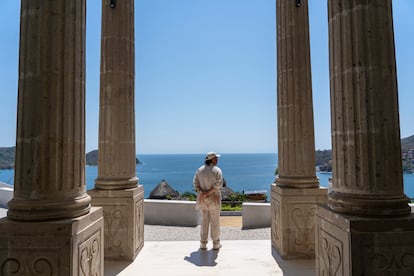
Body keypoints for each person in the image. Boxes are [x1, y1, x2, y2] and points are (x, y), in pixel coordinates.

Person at [193, 152, 224, 250]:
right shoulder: (217, 170)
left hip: (203, 199)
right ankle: (216, 243)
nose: (217, 160)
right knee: (215, 221)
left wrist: (203, 192)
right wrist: (209, 192)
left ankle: (203, 243)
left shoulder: (200, 170)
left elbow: (195, 183)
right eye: (216, 158)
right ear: (212, 159)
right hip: (214, 199)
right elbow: (219, 185)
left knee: (204, 221)